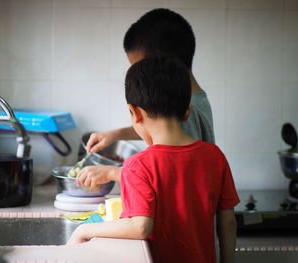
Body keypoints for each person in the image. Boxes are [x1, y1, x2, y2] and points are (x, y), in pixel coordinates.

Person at [68, 56, 239, 263]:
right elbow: (227, 219)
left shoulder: (138, 165)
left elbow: (140, 226)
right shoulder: (215, 156)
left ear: (134, 113)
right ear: (187, 111)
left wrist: (83, 229)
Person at [76, 8, 215, 190]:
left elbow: (178, 172)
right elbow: (162, 126)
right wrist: (116, 134)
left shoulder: (191, 106)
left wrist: (113, 172)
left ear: (162, 66)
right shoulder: (189, 103)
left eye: (141, 70)